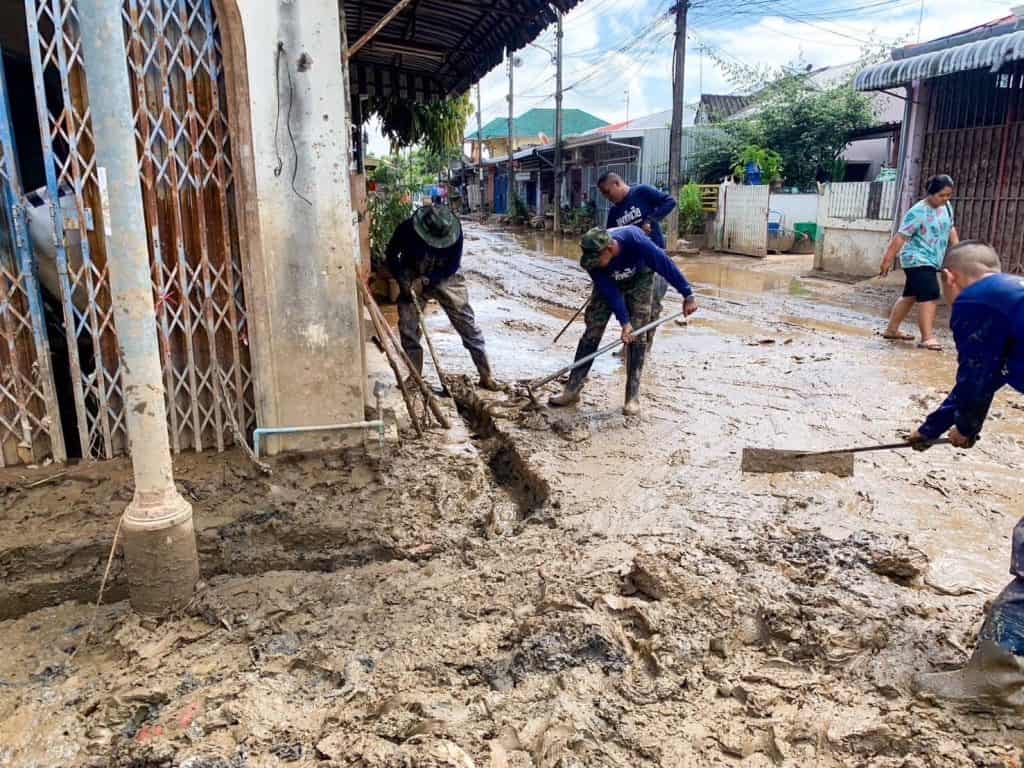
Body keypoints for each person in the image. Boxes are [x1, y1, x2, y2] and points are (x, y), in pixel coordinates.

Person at [907, 241, 1024, 708]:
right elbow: (986, 376)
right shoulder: (1011, 296)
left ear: (950, 279)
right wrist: (931, 428)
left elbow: (975, 378)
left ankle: (996, 682)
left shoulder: (975, 302)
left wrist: (967, 430)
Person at [548, 226, 698, 416]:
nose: (595, 264)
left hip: (640, 280)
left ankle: (632, 397)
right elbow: (611, 292)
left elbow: (665, 265)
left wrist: (687, 294)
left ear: (610, 249)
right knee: (592, 330)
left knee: (637, 335)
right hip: (611, 283)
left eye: (598, 260)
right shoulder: (594, 263)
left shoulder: (636, 241)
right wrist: (624, 322)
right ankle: (572, 390)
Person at [385, 205, 501, 391]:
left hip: (446, 277)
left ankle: (486, 374)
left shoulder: (454, 234)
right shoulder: (407, 229)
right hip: (412, 272)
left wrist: (428, 280)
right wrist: (402, 279)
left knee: (467, 324)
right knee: (408, 327)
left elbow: (452, 265)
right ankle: (415, 376)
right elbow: (391, 254)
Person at [879, 174, 960, 351]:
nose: (946, 199)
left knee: (911, 295)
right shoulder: (917, 211)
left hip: (933, 259)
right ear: (930, 193)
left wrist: (958, 251)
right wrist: (888, 259)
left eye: (948, 195)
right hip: (916, 258)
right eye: (942, 195)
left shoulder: (946, 207)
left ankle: (892, 330)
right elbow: (901, 236)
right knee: (930, 294)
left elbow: (950, 228)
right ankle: (927, 337)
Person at [598, 173, 678, 345]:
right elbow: (609, 243)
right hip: (633, 267)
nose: (607, 197)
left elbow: (670, 201)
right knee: (632, 308)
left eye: (607, 192)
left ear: (617, 183)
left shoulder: (642, 192)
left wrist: (651, 219)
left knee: (653, 306)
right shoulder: (614, 213)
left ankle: (646, 346)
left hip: (654, 261)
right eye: (603, 194)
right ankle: (631, 346)